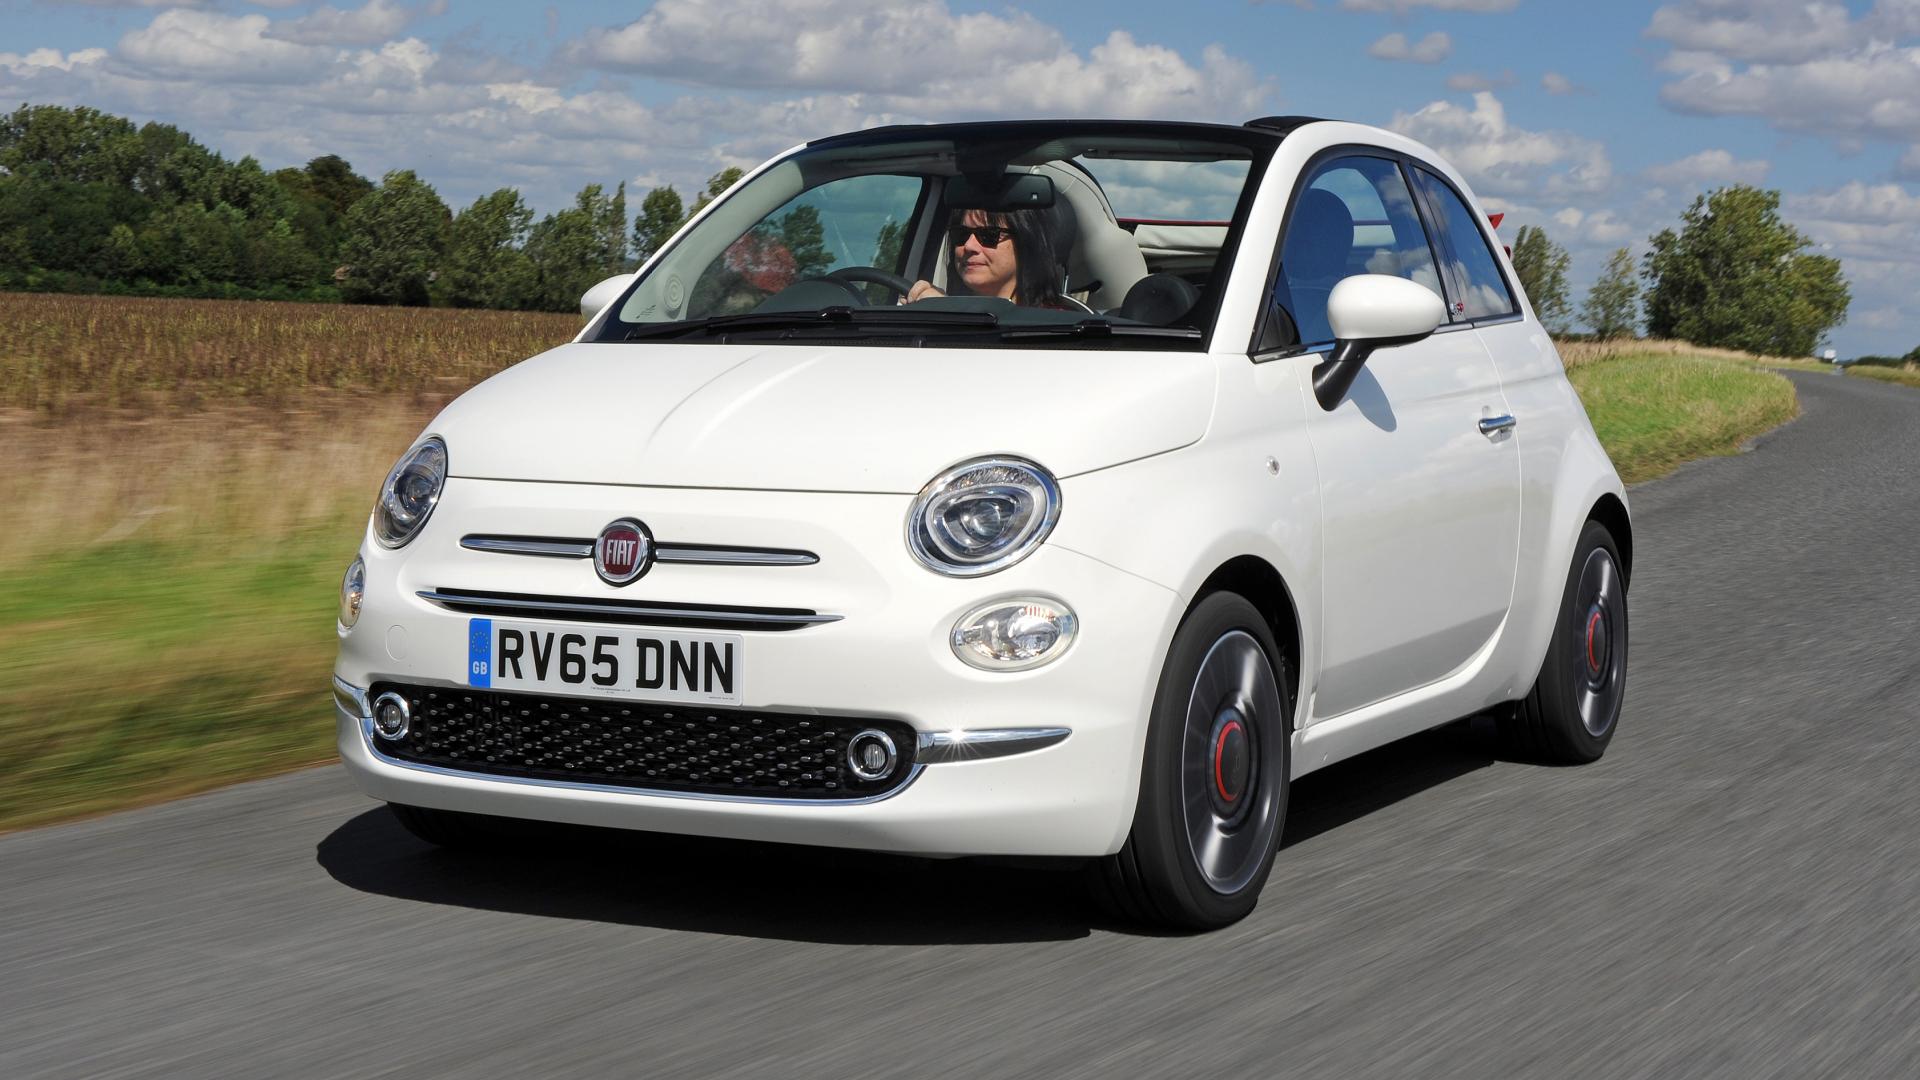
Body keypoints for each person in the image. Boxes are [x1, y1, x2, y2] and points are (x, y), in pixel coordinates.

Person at [906, 205, 1070, 308]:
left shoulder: (1056, 324)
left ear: (1025, 242)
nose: (969, 246)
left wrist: (952, 314)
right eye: (961, 234)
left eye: (989, 235)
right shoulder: (935, 307)